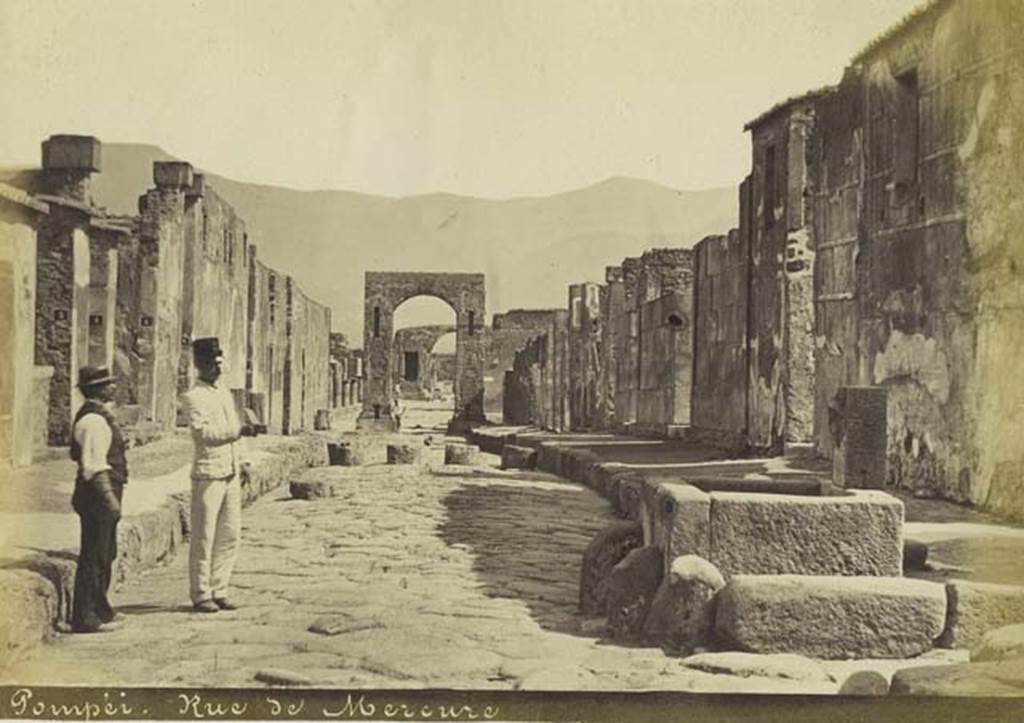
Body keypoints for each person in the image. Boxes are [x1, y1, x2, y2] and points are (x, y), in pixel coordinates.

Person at [180, 337, 250, 613]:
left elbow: (235, 430)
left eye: (220, 364)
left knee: (230, 534)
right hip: (208, 473)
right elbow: (204, 435)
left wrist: (243, 460)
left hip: (230, 471)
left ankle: (220, 588)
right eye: (213, 365)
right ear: (201, 365)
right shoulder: (192, 397)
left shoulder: (223, 393)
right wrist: (238, 432)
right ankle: (200, 593)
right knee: (204, 536)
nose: (218, 370)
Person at [69, 365, 127, 634]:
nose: (112, 387)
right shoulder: (93, 421)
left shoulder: (101, 416)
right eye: (107, 384)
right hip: (97, 493)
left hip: (103, 491)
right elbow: (92, 466)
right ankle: (85, 617)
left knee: (106, 552)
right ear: (96, 390)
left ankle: (101, 608)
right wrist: (110, 502)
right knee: (93, 555)